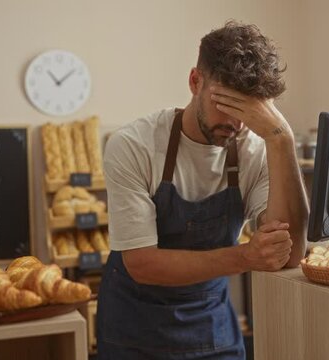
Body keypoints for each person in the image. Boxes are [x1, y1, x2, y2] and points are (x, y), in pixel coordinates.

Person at [96, 20, 309, 359]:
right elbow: (142, 264)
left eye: (250, 111)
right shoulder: (133, 145)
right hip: (133, 332)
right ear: (196, 82)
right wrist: (245, 256)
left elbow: (291, 251)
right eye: (227, 104)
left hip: (212, 328)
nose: (237, 124)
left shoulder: (254, 149)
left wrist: (279, 137)